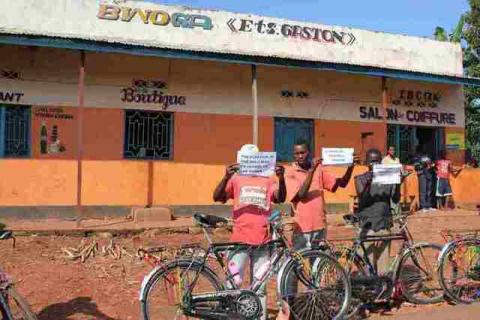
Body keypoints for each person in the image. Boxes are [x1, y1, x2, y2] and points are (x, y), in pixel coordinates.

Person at [212, 144, 286, 320]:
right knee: (232, 283)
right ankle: (232, 316)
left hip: (263, 240)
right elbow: (217, 197)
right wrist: (225, 176)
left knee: (259, 286)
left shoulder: (268, 179)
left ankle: (258, 316)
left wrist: (281, 178)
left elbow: (280, 197)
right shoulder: (236, 178)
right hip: (239, 241)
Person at [285, 140, 358, 250]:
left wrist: (350, 167)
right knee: (299, 264)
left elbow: (341, 184)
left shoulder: (319, 169)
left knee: (319, 264)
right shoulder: (290, 172)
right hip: (301, 228)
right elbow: (301, 195)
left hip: (320, 226)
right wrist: (311, 171)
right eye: (297, 153)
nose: (300, 156)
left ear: (309, 152)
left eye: (303, 152)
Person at [354, 148, 399, 275]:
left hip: (384, 223)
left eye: (378, 162)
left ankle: (382, 290)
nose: (375, 164)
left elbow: (395, 199)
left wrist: (398, 182)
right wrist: (370, 180)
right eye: (372, 161)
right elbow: (363, 197)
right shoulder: (360, 179)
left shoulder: (388, 178)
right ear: (366, 162)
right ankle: (367, 290)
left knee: (383, 266)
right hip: (366, 225)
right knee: (365, 264)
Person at [413, 149, 435, 213]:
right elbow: (416, 167)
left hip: (429, 174)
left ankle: (429, 206)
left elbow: (433, 164)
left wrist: (431, 165)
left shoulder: (429, 158)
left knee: (429, 191)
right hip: (422, 175)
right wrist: (424, 165)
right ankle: (423, 207)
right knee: (423, 191)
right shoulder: (418, 158)